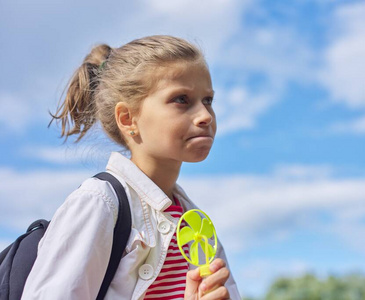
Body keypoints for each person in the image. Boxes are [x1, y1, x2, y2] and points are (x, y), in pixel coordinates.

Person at [22, 35, 240, 300]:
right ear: (128, 119)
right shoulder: (99, 203)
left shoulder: (196, 223)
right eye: (181, 99)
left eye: (208, 100)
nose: (205, 116)